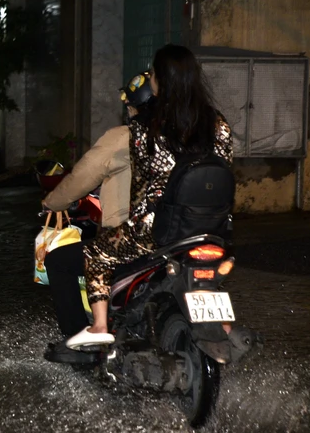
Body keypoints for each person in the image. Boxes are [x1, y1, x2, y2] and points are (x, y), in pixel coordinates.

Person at [66, 44, 233, 350]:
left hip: (159, 228)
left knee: (95, 255)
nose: (150, 78)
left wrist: (130, 219)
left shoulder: (148, 127)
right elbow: (224, 172)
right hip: (214, 227)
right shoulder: (218, 123)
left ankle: (100, 325)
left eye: (153, 73)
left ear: (163, 80)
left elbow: (143, 183)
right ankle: (219, 320)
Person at [39, 72, 153, 363]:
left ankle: (81, 339)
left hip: (134, 237)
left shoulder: (124, 138)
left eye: (128, 107)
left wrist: (52, 203)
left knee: (59, 261)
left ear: (134, 107)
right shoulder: (183, 138)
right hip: (180, 233)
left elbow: (83, 176)